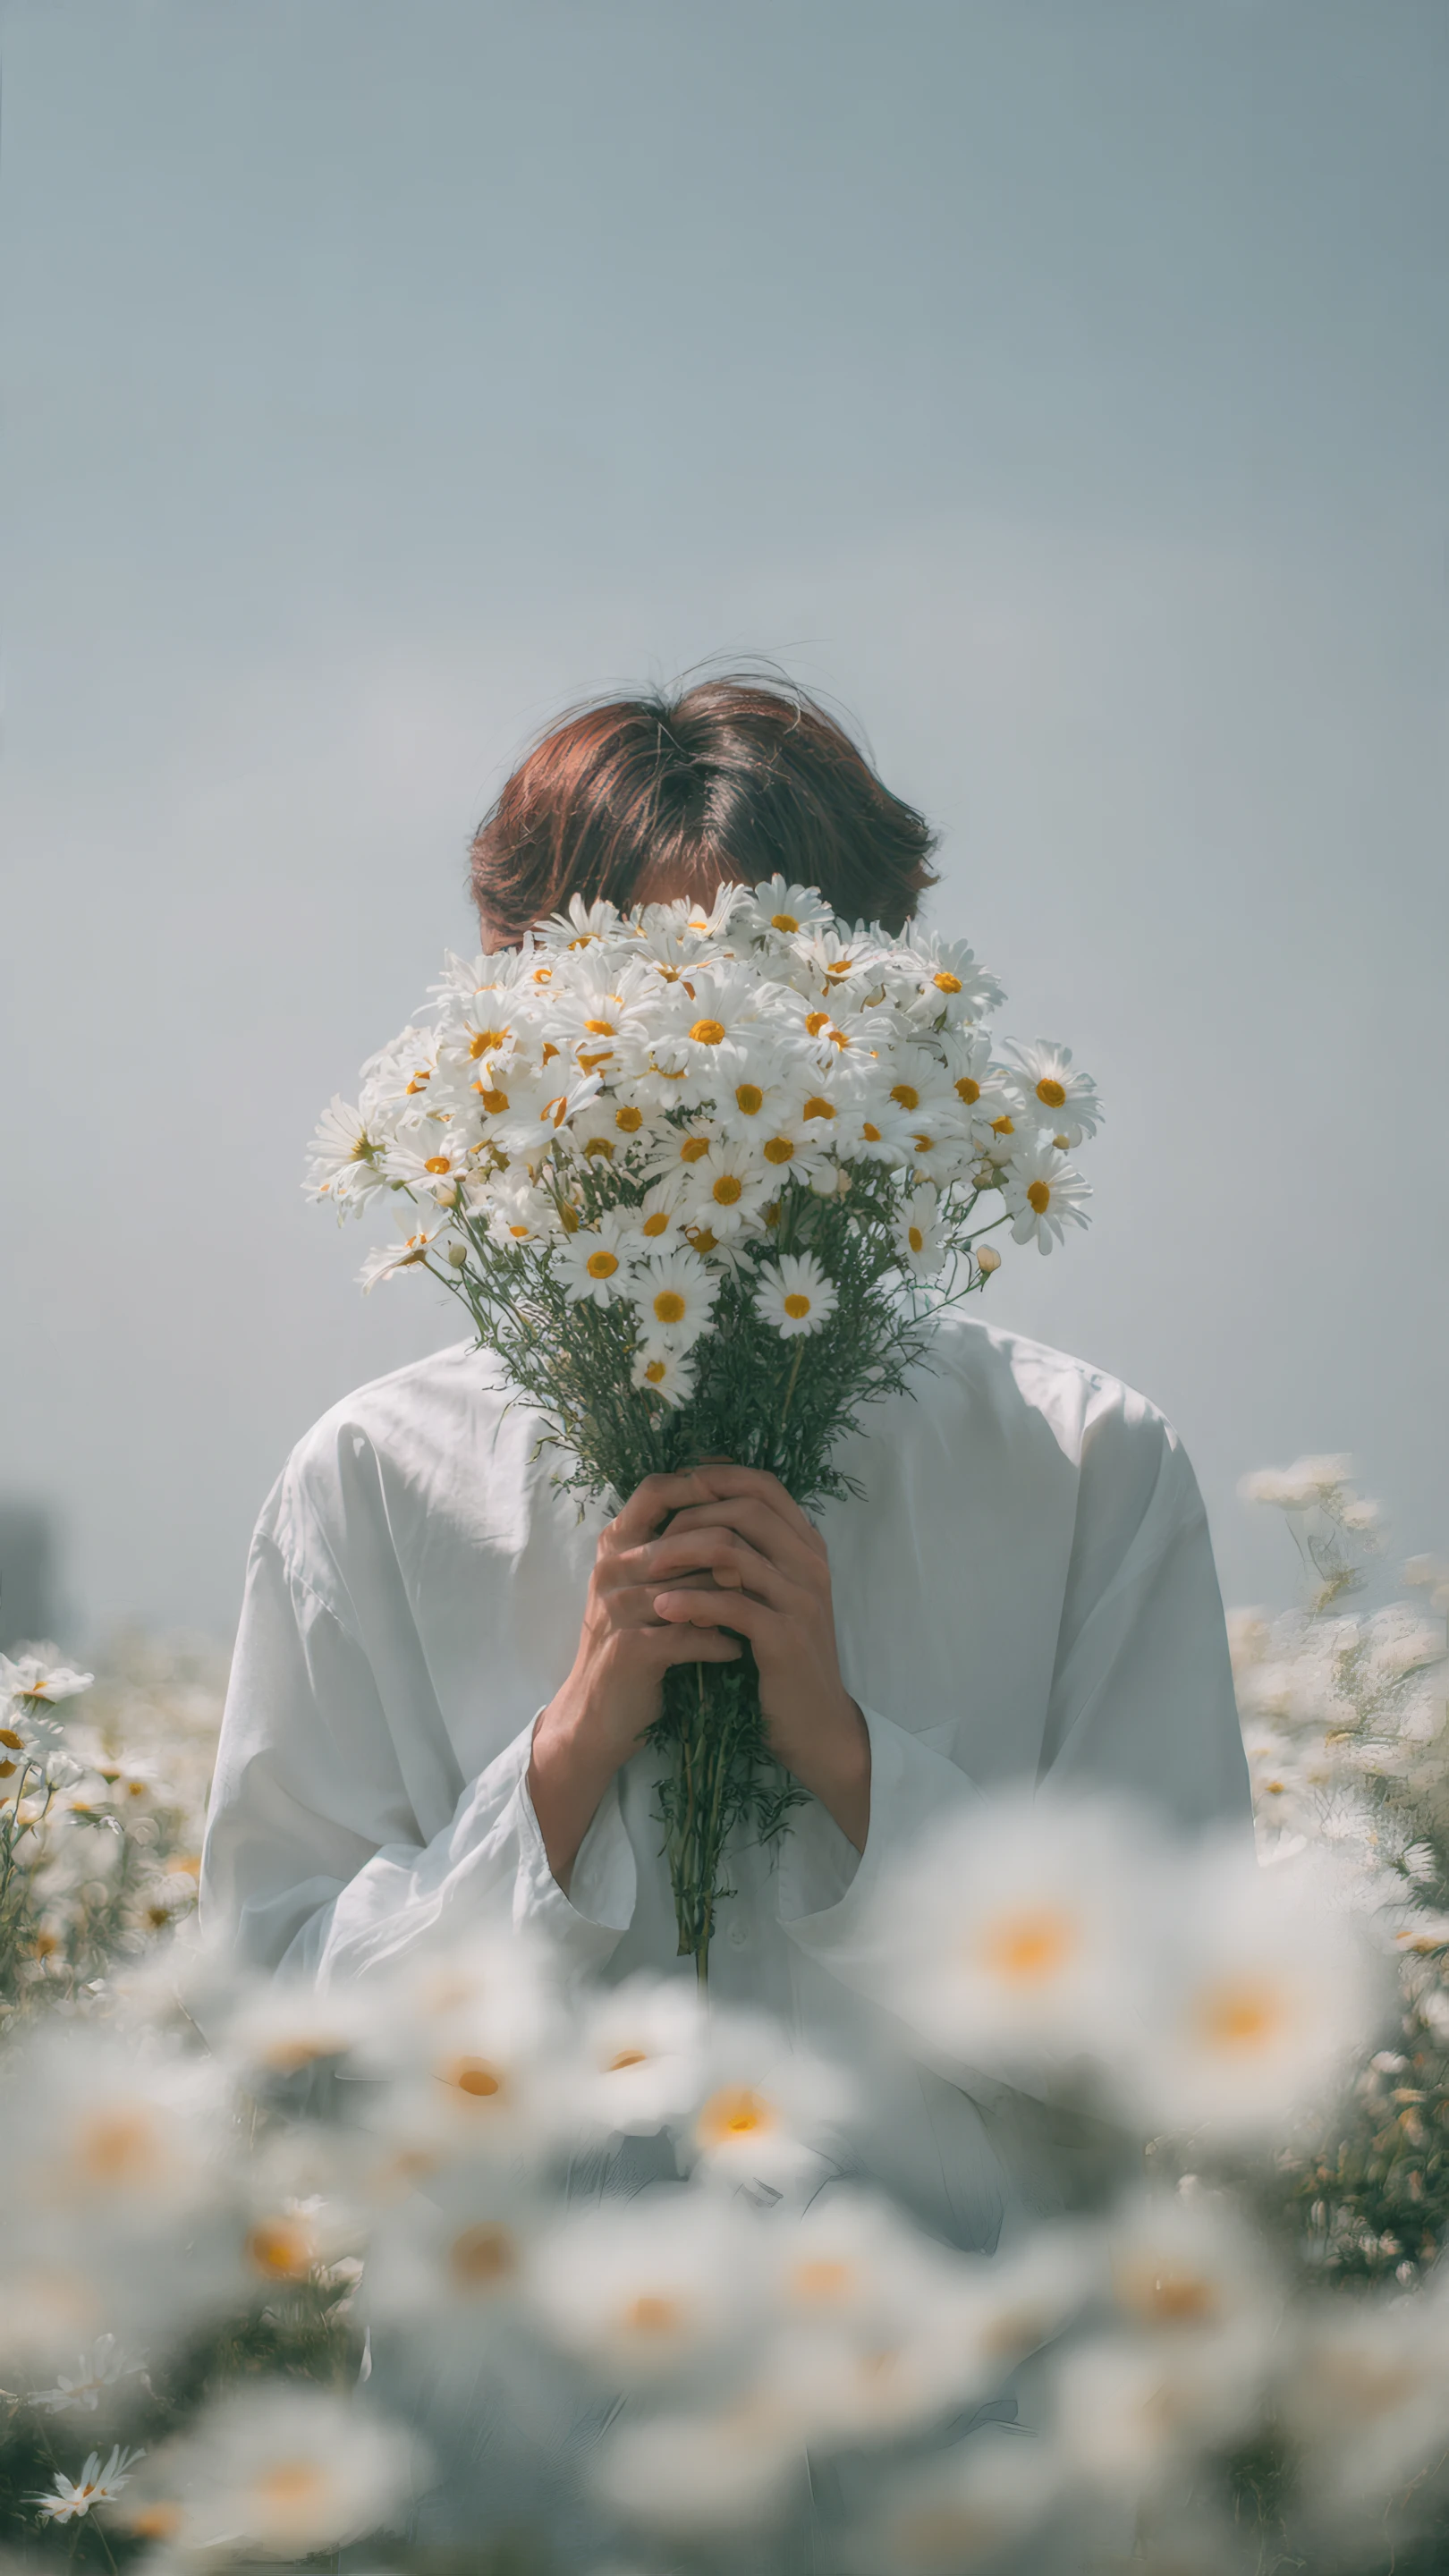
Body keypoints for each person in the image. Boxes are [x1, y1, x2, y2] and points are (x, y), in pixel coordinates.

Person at [199, 671, 1252, 2559]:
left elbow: (1178, 2030)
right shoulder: (373, 1480)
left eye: (774, 981)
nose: (698, 1050)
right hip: (513, 2485)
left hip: (955, 2482)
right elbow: (278, 2043)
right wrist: (564, 1757)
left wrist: (851, 1763)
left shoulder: (1088, 1468)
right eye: (637, 986)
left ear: (883, 1004)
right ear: (521, 997)